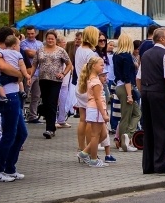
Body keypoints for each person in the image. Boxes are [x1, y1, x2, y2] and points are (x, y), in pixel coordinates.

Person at [137, 27, 165, 176]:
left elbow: (139, 78)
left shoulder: (146, 54)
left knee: (148, 128)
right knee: (162, 129)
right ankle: (161, 164)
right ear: (161, 39)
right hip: (159, 93)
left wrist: (143, 91)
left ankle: (148, 165)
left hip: (146, 92)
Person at [0, 27, 30, 182]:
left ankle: (10, 168)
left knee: (21, 134)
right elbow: (4, 68)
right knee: (9, 134)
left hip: (13, 95)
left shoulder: (7, 52)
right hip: (5, 95)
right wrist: (21, 74)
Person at [31, 30, 72, 139]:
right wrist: (29, 76)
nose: (50, 40)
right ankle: (51, 126)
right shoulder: (40, 50)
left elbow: (69, 64)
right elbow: (34, 64)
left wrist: (63, 73)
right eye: (48, 38)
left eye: (52, 39)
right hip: (43, 79)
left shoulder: (61, 51)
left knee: (52, 102)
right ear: (46, 39)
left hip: (55, 80)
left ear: (55, 40)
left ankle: (49, 129)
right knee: (46, 103)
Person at [76, 57, 109, 167]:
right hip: (96, 109)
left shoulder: (93, 79)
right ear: (94, 66)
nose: (103, 67)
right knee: (95, 135)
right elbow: (98, 99)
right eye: (101, 65)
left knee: (102, 134)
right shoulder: (95, 81)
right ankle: (94, 159)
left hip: (94, 109)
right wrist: (104, 114)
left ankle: (84, 152)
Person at [113, 33, 140, 152]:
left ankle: (126, 137)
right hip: (126, 87)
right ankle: (126, 141)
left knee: (136, 113)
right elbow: (127, 77)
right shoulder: (127, 56)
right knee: (127, 115)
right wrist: (129, 95)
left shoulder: (116, 55)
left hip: (119, 86)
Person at [74, 26, 99, 154]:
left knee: (82, 119)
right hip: (89, 87)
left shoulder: (79, 49)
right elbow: (93, 71)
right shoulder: (90, 53)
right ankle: (89, 150)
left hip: (80, 85)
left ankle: (81, 146)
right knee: (91, 120)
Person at [0, 35, 29, 102]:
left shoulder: (3, 52)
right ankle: (22, 91)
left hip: (7, 75)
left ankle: (3, 96)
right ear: (14, 46)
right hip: (17, 74)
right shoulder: (19, 54)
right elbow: (22, 65)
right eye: (19, 45)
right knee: (20, 81)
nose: (19, 47)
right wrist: (25, 74)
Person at [21, 25, 44, 123]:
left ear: (36, 33)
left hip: (40, 72)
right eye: (29, 33)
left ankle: (32, 116)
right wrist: (39, 53)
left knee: (36, 95)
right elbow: (28, 53)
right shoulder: (23, 43)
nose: (30, 35)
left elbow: (42, 54)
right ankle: (21, 114)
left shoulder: (40, 43)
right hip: (29, 72)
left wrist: (35, 53)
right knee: (24, 94)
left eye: (32, 33)